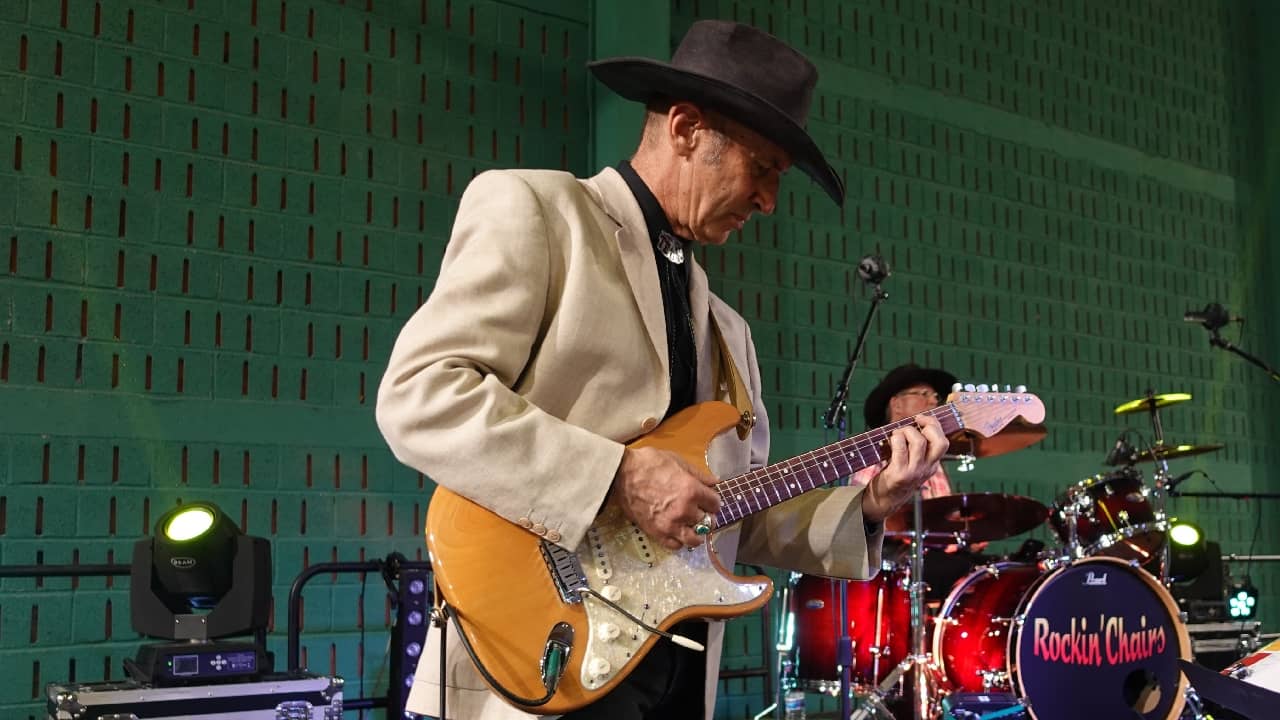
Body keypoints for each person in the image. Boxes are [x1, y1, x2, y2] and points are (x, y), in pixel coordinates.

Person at [375, 20, 949, 720]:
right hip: (533, 662)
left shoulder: (730, 333)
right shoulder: (540, 213)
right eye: (762, 167)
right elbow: (420, 394)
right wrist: (619, 475)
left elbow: (736, 511)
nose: (769, 200)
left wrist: (870, 502)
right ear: (684, 128)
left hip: (673, 677)